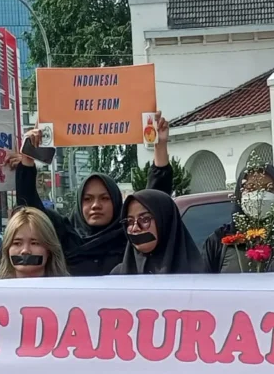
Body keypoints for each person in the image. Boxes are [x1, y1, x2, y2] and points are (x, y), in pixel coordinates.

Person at [11, 113, 175, 276]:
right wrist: (28, 157)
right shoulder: (63, 235)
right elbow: (31, 209)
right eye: (88, 199)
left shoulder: (130, 236)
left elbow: (154, 202)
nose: (96, 205)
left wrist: (160, 146)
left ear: (115, 202)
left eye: (104, 198)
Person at [202, 154, 274, 273]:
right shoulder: (219, 240)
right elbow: (203, 281)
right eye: (251, 188)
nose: (259, 196)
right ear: (240, 194)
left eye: (268, 189)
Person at [113, 189, 204, 275]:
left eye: (145, 219)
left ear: (166, 221)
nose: (135, 228)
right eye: (130, 221)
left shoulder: (198, 274)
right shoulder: (117, 275)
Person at [0, 207, 69, 279]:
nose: (25, 250)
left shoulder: (68, 286)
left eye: (34, 243)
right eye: (17, 243)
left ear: (49, 250)